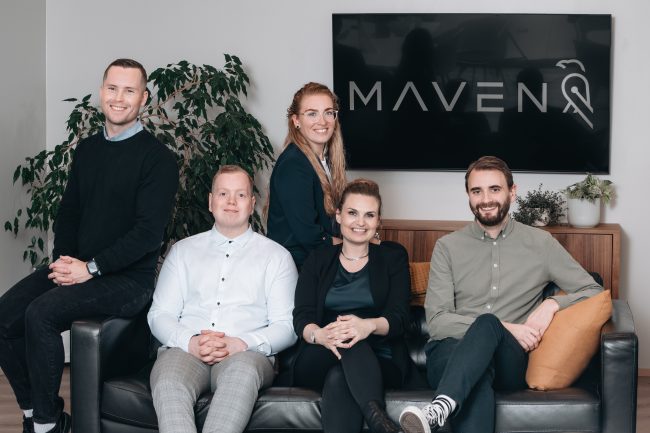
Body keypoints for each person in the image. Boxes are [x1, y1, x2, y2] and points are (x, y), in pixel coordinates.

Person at [0, 58, 179, 433]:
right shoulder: (87, 150)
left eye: (129, 91)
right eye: (112, 88)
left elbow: (148, 235)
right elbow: (69, 213)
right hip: (78, 267)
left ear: (144, 98)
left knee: (41, 314)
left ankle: (45, 426)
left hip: (127, 280)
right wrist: (64, 262)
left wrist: (91, 268)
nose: (119, 98)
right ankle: (39, 414)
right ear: (101, 92)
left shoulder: (158, 159)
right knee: (4, 317)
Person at [399, 156, 603, 433]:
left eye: (494, 189)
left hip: (509, 359)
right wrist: (507, 327)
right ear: (468, 196)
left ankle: (440, 407)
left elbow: (593, 291)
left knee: (487, 323)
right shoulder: (448, 247)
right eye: (477, 191)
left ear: (512, 192)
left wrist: (553, 304)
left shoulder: (540, 243)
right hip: (449, 352)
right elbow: (437, 322)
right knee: (478, 372)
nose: (486, 199)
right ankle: (444, 405)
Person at [147, 165, 298, 433]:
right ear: (210, 201)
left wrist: (241, 343)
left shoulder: (277, 257)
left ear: (252, 204)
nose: (231, 201)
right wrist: (190, 342)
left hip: (247, 355)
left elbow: (287, 326)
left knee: (241, 376)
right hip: (185, 351)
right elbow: (160, 314)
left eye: (240, 195)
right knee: (168, 381)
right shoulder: (182, 251)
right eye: (223, 193)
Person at [292, 179, 415, 433]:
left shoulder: (393, 257)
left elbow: (400, 317)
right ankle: (378, 420)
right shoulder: (318, 259)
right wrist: (320, 334)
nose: (360, 222)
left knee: (340, 376)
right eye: (352, 213)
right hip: (321, 352)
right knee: (345, 337)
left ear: (378, 221)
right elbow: (302, 317)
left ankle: (378, 421)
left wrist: (367, 326)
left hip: (380, 358)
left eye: (369, 215)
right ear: (338, 215)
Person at [267, 82, 347, 270]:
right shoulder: (294, 164)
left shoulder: (324, 160)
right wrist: (355, 246)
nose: (322, 121)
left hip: (317, 262)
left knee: (389, 253)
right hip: (298, 269)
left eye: (328, 112)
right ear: (296, 120)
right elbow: (310, 237)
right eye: (312, 113)